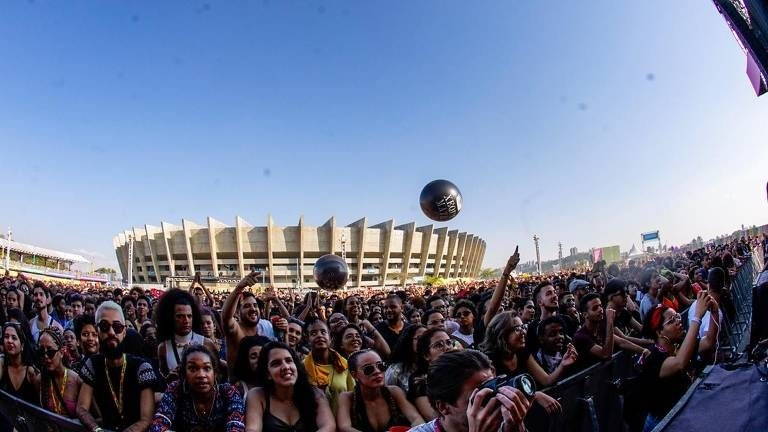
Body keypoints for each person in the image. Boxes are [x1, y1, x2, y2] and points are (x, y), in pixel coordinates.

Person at [76, 300, 160, 432]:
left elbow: (146, 419)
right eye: (104, 326)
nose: (111, 332)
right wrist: (96, 429)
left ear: (124, 332)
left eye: (117, 327)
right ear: (97, 330)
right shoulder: (92, 364)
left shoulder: (142, 367)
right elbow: (82, 408)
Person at [639, 293, 715, 432]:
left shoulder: (678, 344)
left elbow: (708, 342)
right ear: (659, 332)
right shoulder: (654, 358)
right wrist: (697, 316)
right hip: (661, 424)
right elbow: (680, 362)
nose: (678, 321)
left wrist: (714, 311)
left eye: (677, 316)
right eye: (671, 321)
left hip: (679, 418)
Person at [407, 350, 531, 432]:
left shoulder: (501, 424)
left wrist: (517, 428)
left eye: (492, 391)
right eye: (478, 399)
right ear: (444, 407)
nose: (493, 402)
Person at [480, 312, 570, 414]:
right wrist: (534, 395)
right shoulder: (489, 361)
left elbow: (546, 380)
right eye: (517, 328)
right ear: (502, 333)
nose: (523, 332)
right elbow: (498, 397)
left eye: (523, 327)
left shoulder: (522, 353)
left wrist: (563, 364)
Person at [151, 345, 245, 432]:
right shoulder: (176, 390)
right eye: (193, 369)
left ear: (215, 373)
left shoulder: (229, 392)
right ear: (184, 374)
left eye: (207, 368)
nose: (201, 375)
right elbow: (157, 427)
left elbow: (237, 427)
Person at [245, 341, 336, 432]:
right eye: (276, 363)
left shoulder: (315, 394)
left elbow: (328, 427)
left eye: (289, 361)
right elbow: (252, 429)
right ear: (267, 373)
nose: (286, 367)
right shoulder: (257, 395)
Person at [337, 349, 424, 432]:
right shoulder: (347, 398)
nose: (377, 371)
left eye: (381, 366)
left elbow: (416, 419)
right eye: (368, 369)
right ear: (355, 375)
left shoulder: (394, 392)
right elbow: (344, 427)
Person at [155, 289, 218, 380]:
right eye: (180, 316)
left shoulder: (206, 344)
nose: (186, 321)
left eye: (189, 316)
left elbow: (217, 375)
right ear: (170, 317)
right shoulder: (163, 348)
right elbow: (163, 378)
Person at [222, 272, 276, 374]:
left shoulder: (266, 326)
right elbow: (226, 317)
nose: (253, 309)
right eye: (246, 306)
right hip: (241, 387)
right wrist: (239, 288)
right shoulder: (235, 330)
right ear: (237, 311)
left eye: (255, 305)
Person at [303, 317, 353, 414]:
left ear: (330, 337)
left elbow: (352, 396)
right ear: (307, 338)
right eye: (313, 333)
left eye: (323, 332)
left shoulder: (344, 364)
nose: (319, 336)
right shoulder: (302, 367)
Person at [409, 328, 461, 420]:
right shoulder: (419, 380)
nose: (447, 348)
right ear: (426, 355)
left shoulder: (462, 370)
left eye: (448, 343)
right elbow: (432, 416)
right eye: (438, 345)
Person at [37, 327, 82, 418]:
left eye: (50, 352)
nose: (45, 357)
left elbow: (96, 417)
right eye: (41, 352)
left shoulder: (76, 380)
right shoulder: (39, 380)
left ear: (61, 352)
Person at [0, 321, 39, 405]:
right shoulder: (2, 365)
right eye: (6, 337)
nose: (9, 341)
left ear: (22, 345)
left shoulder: (30, 372)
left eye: (14, 338)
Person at [385, 325, 426, 393]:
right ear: (409, 341)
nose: (425, 341)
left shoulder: (433, 363)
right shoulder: (395, 371)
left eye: (427, 338)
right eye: (419, 338)